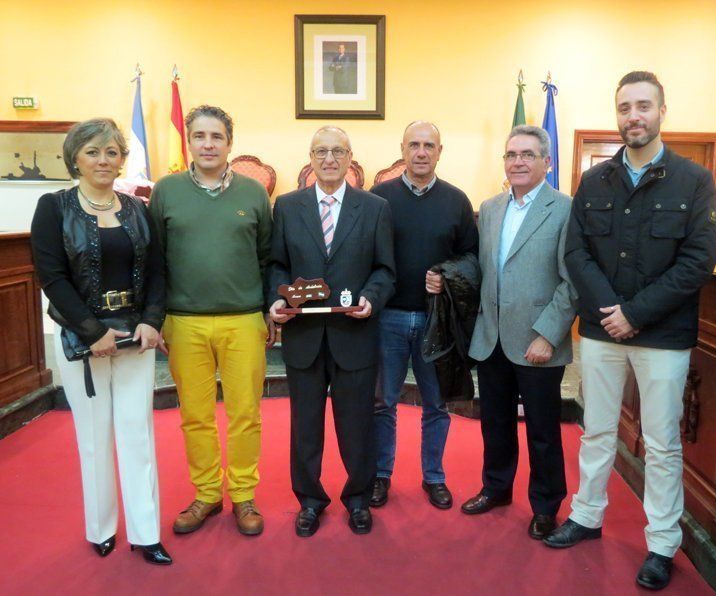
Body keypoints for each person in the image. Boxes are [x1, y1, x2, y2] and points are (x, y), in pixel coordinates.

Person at [544, 71, 716, 591]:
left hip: (662, 336)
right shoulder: (595, 180)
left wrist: (636, 313)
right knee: (596, 430)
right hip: (600, 332)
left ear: (662, 111)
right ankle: (586, 516)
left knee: (662, 444)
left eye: (643, 106)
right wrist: (607, 308)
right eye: (624, 108)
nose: (633, 117)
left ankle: (662, 543)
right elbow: (576, 252)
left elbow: (698, 261)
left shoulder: (694, 180)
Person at [30, 118, 171, 565]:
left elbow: (157, 272)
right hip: (82, 338)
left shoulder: (136, 209)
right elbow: (52, 277)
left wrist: (152, 321)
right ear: (75, 157)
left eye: (112, 152)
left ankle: (146, 533)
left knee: (137, 432)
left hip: (135, 335)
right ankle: (101, 528)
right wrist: (93, 332)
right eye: (93, 152)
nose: (104, 160)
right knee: (93, 435)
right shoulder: (53, 207)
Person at [149, 105, 273, 537]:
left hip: (243, 319)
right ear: (189, 141)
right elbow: (156, 260)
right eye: (199, 136)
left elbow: (266, 256)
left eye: (216, 137)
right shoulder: (166, 191)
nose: (207, 144)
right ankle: (206, 493)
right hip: (184, 322)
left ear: (229, 143)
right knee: (196, 416)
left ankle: (243, 495)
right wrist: (158, 317)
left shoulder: (254, 194)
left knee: (245, 414)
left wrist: (267, 310)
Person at [269, 126, 395, 537]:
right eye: (321, 151)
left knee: (357, 426)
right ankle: (309, 500)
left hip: (354, 336)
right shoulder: (286, 207)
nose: (328, 159)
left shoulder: (374, 208)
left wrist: (372, 299)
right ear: (310, 157)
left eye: (337, 151)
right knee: (305, 428)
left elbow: (384, 269)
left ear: (349, 157)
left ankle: (358, 499)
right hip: (303, 337)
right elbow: (277, 265)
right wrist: (276, 300)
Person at [463, 125, 576, 542]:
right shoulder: (490, 207)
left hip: (537, 342)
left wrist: (548, 334)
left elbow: (572, 280)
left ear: (546, 161)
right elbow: (484, 269)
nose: (518, 162)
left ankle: (546, 506)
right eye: (511, 155)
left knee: (544, 432)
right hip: (491, 337)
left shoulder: (564, 209)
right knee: (494, 422)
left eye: (528, 154)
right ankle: (496, 488)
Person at [369, 121, 477, 509]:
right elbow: (365, 254)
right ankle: (381, 475)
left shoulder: (457, 201)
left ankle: (434, 476)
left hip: (437, 321)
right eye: (414, 144)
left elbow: (471, 259)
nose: (421, 152)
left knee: (436, 404)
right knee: (382, 403)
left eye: (428, 145)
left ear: (439, 151)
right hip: (388, 320)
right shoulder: (379, 198)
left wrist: (446, 276)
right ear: (402, 148)